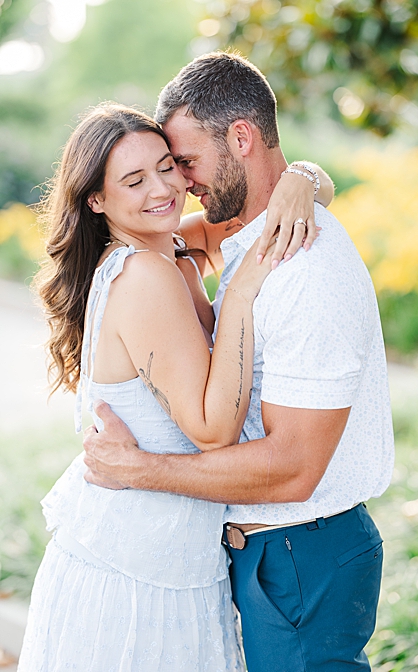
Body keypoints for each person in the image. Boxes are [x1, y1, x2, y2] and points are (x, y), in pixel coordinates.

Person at [82, 52, 394, 672]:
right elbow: (186, 233)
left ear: (243, 138)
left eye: (182, 164)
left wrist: (138, 469)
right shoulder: (244, 236)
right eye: (150, 173)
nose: (178, 185)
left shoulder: (304, 268)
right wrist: (305, 175)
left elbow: (294, 468)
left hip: (303, 550)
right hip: (266, 551)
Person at [19, 103, 325, 670]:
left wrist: (300, 178)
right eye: (134, 181)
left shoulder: (171, 249)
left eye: (168, 167)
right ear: (97, 200)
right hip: (137, 572)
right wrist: (239, 295)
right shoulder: (143, 275)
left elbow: (286, 203)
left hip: (173, 555)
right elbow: (211, 430)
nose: (163, 190)